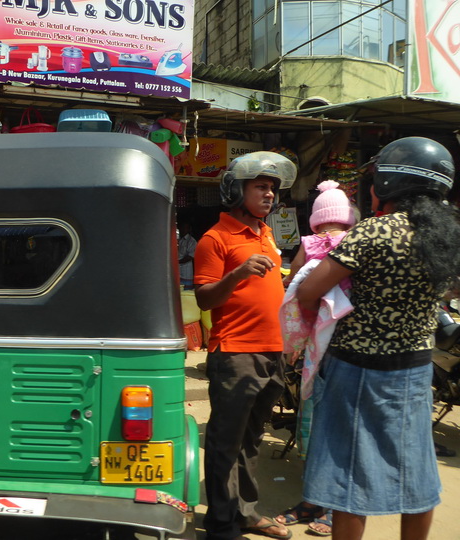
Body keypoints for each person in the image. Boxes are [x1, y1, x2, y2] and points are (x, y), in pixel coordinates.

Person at [295, 137, 460, 540]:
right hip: (416, 373)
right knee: (416, 472)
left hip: (357, 372)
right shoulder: (449, 236)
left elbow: (308, 291)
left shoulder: (374, 232)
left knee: (348, 478)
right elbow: (450, 293)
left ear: (391, 184)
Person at [194, 151, 297, 540]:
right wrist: (237, 273)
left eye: (272, 188)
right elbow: (204, 299)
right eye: (260, 187)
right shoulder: (214, 238)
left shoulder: (266, 234)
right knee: (225, 442)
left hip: (273, 352)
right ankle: (221, 524)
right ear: (237, 191)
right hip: (236, 353)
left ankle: (247, 513)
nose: (269, 195)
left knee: (251, 440)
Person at [276, 179, 358, 537]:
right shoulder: (358, 244)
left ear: (315, 219)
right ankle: (322, 504)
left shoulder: (308, 245)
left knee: (315, 422)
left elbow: (294, 287)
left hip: (318, 349)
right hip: (346, 347)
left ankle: (322, 503)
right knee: (341, 430)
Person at [178, 221, 197, 289]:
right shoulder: (178, 239)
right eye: (182, 227)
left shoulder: (192, 241)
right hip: (177, 271)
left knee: (186, 292)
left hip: (186, 272)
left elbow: (190, 256)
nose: (183, 229)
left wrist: (176, 262)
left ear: (189, 229)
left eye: (185, 228)